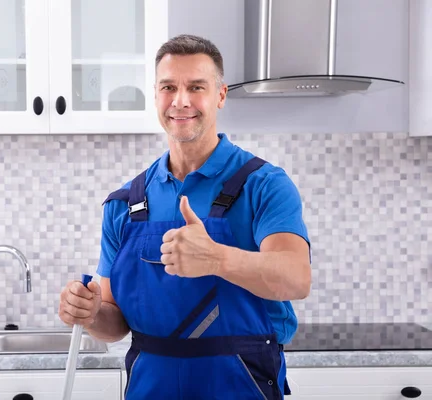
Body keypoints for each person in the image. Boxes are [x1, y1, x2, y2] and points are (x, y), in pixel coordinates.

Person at [58, 34, 311, 400]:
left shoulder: (264, 186)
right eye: (168, 87)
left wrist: (217, 258)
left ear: (220, 95)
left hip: (241, 389)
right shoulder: (126, 204)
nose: (181, 100)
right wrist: (91, 311)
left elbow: (296, 279)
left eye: (196, 87)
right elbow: (115, 321)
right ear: (156, 95)